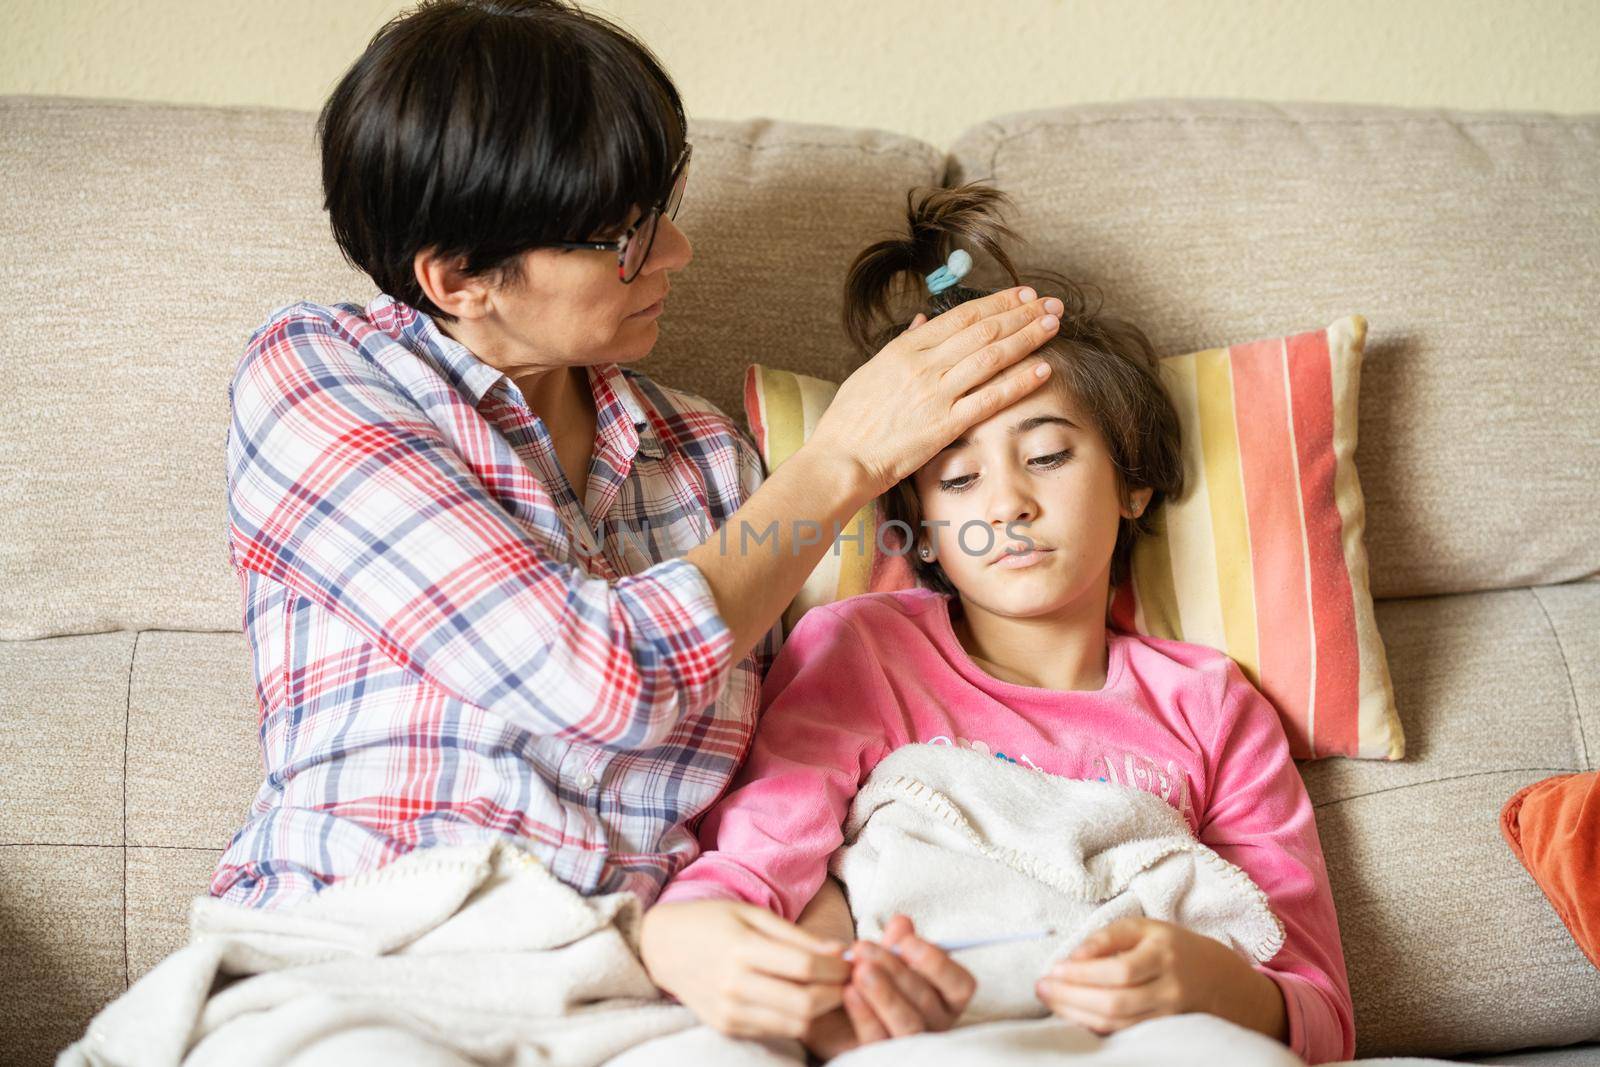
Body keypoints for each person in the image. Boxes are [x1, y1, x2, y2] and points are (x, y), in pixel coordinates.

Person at [218, 0, 1057, 1043]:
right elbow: (595, 677)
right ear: (457, 279)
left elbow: (832, 734)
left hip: (638, 982)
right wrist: (841, 459)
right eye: (623, 237)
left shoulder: (708, 455)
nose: (676, 250)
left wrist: (831, 947)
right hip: (372, 942)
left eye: (663, 205)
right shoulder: (318, 379)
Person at [644, 186, 1357, 1065]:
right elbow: (752, 872)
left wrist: (1212, 983)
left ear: (1133, 482)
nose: (1009, 504)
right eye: (958, 481)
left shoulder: (1211, 705)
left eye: (1048, 455)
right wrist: (698, 936)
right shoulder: (862, 647)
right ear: (926, 528)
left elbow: (1320, 1007)